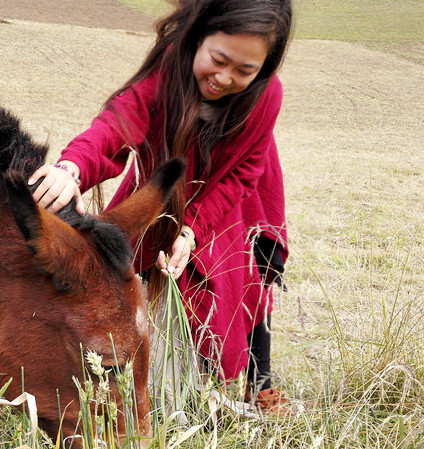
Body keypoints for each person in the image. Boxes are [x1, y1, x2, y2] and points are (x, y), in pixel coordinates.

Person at [28, 0, 292, 414]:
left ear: (266, 68)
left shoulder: (265, 98)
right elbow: (116, 124)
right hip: (165, 187)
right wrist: (72, 168)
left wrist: (191, 231)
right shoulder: (170, 66)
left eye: (245, 71)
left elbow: (241, 177)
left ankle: (260, 383)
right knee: (131, 266)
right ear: (199, 36)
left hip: (234, 190)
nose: (224, 78)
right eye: (218, 60)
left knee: (251, 268)